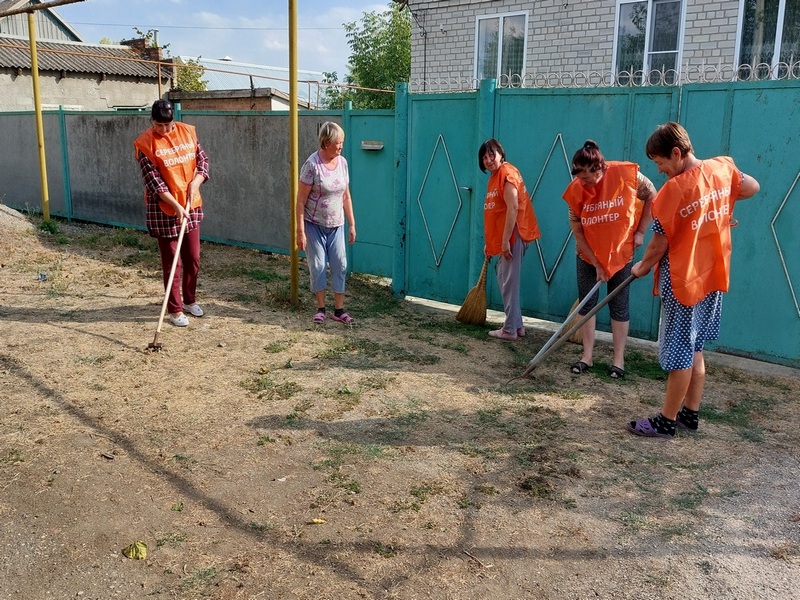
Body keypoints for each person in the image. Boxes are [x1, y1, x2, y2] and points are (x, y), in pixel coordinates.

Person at [627, 122, 760, 438]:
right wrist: (719, 204)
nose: (659, 171)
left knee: (679, 351)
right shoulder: (722, 168)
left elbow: (658, 244)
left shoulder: (674, 190)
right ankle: (690, 414)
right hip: (711, 276)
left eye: (660, 163)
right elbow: (752, 186)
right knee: (694, 345)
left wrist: (641, 267)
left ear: (676, 153)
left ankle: (666, 420)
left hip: (685, 281)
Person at [562, 140, 656, 378]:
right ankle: (587, 356)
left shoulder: (627, 175)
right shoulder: (576, 189)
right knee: (587, 303)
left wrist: (641, 231)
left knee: (619, 305)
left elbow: (652, 195)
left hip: (620, 253)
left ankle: (618, 360)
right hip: (587, 255)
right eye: (580, 178)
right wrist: (595, 263)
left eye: (587, 178)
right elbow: (577, 229)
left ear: (600, 168)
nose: (584, 183)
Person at [134, 99, 209, 327]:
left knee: (193, 257)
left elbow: (203, 161)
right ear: (152, 121)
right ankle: (175, 310)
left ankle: (190, 300)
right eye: (158, 125)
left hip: (190, 204)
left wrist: (196, 183)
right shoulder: (146, 144)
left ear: (173, 120)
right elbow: (154, 183)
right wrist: (176, 207)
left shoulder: (188, 133)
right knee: (172, 263)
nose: (163, 130)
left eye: (167, 125)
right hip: (164, 209)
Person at [478, 139, 541, 340]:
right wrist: (491, 243)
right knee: (505, 279)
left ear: (501, 154)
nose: (488, 160)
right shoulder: (496, 177)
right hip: (509, 236)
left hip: (515, 235)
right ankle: (518, 325)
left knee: (508, 283)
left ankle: (509, 329)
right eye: (484, 157)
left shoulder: (507, 173)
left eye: (491, 154)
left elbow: (513, 208)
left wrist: (505, 242)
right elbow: (497, 212)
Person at [296, 121, 357, 325]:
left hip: (337, 224)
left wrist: (352, 224)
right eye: (337, 143)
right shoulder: (312, 165)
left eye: (342, 142)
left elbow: (346, 196)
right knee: (319, 265)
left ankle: (339, 311)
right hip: (314, 224)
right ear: (326, 142)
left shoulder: (343, 163)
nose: (340, 146)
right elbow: (300, 200)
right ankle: (320, 308)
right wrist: (300, 231)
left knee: (340, 264)